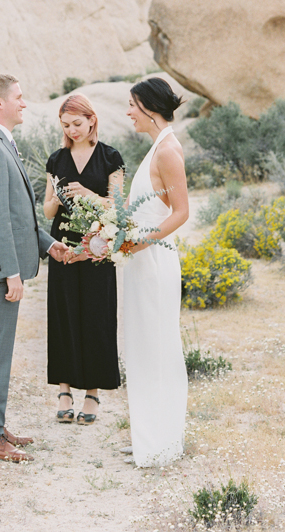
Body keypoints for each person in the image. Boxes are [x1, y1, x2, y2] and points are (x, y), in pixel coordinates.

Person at [0, 73, 69, 462]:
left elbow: (18, 214)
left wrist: (49, 244)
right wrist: (11, 272)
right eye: (19, 97)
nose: (24, 103)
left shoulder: (0, 142)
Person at [43, 94, 124, 425]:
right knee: (63, 316)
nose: (72, 130)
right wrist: (59, 196)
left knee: (96, 316)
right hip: (62, 246)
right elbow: (47, 208)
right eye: (66, 125)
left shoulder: (110, 157)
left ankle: (92, 393)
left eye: (77, 123)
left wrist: (90, 195)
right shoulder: (56, 159)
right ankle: (64, 391)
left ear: (91, 119)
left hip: (97, 247)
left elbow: (118, 207)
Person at [123, 77, 189, 467]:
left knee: (158, 348)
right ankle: (150, 434)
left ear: (148, 107)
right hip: (140, 264)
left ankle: (162, 442)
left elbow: (181, 212)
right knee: (143, 348)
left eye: (132, 104)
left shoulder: (167, 151)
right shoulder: (157, 147)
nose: (129, 112)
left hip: (154, 262)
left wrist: (139, 241)